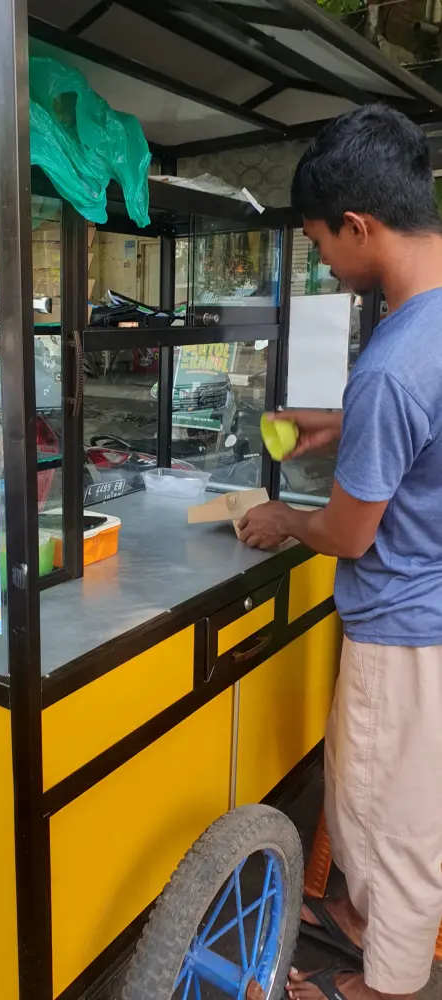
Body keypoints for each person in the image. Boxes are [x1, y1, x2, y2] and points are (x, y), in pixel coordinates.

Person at [238, 104, 442, 1000]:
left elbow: (350, 533)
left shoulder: (393, 364)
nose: (323, 262)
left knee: (392, 820)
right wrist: (344, 423)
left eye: (321, 243)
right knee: (370, 793)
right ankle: (363, 921)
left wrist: (286, 520)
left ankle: (382, 986)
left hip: (406, 629)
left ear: (358, 224)